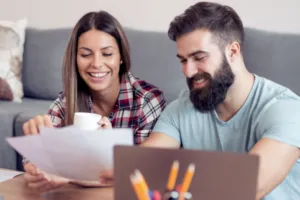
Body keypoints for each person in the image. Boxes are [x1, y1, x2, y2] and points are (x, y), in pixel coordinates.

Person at [117, 2, 300, 200]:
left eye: (199, 57)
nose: (188, 71)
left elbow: (251, 186)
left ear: (232, 51)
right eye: (183, 60)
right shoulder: (180, 109)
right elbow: (141, 166)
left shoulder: (286, 109)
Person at [22, 10, 166, 191]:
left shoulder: (147, 101)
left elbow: (141, 170)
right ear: (75, 59)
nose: (96, 63)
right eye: (85, 54)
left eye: (107, 54)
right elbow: (34, 161)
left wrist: (66, 173)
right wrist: (36, 165)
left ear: (121, 57)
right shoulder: (67, 101)